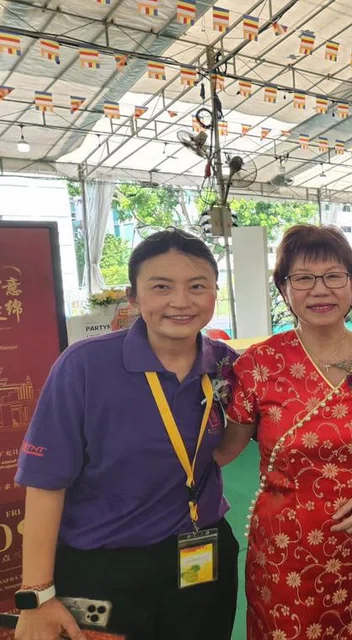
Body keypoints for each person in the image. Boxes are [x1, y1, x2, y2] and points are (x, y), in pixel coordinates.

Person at [14, 229, 240, 640]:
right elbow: (46, 483)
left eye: (197, 286)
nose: (181, 301)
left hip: (202, 554)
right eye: (161, 287)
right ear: (133, 297)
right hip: (105, 566)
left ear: (215, 293)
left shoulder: (225, 365)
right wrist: (38, 595)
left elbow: (224, 447)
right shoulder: (84, 366)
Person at [216, 225, 352, 639]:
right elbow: (225, 450)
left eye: (334, 276)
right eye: (303, 278)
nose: (320, 290)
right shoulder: (258, 364)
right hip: (287, 551)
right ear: (284, 289)